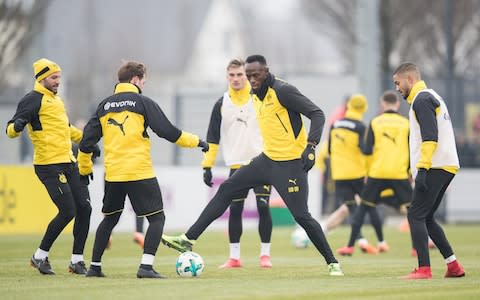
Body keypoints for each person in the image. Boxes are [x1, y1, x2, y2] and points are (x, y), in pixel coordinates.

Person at [162, 54, 344, 276]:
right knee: (227, 188)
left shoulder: (283, 91)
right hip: (266, 160)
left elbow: (317, 114)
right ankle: (188, 238)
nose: (252, 79)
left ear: (266, 71)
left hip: (291, 165)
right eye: (248, 75)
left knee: (301, 216)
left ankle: (332, 262)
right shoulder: (253, 93)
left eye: (255, 75)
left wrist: (311, 146)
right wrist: (208, 162)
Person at [77, 61, 208, 279]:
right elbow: (169, 132)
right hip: (139, 171)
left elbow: (85, 143)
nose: (143, 86)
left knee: (109, 219)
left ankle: (95, 267)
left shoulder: (103, 106)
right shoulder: (142, 102)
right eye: (143, 81)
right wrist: (198, 142)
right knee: (157, 219)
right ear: (136, 80)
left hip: (114, 174)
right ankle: (146, 267)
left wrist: (84, 169)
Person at [5, 58, 98, 275]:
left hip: (69, 162)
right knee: (68, 211)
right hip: (48, 166)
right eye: (53, 77)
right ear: (42, 78)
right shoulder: (32, 99)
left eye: (59, 77)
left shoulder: (57, 101)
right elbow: (10, 129)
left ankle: (76, 261)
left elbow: (68, 131)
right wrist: (16, 127)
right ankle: (39, 256)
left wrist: (89, 142)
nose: (57, 81)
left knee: (85, 208)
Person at [393, 62, 465, 279]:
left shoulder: (421, 99)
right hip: (445, 164)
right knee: (427, 217)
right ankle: (453, 266)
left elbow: (430, 137)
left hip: (435, 165)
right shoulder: (431, 96)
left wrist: (422, 169)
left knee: (415, 214)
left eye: (398, 83)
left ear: (410, 79)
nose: (397, 88)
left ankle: (424, 269)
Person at [202, 59, 273, 268]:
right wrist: (207, 166)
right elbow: (212, 137)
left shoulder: (259, 97)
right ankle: (234, 257)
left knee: (263, 207)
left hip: (261, 163)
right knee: (234, 210)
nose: (236, 79)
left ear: (247, 75)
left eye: (240, 75)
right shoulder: (221, 103)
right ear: (227, 77)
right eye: (231, 75)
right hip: (236, 165)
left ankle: (265, 255)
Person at [336, 90, 412, 256]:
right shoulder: (406, 123)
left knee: (363, 208)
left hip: (377, 172)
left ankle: (349, 246)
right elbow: (412, 149)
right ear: (398, 104)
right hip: (399, 173)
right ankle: (417, 248)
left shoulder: (375, 122)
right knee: (413, 211)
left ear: (382, 104)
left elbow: (367, 150)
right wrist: (409, 171)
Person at [326, 94, 381, 255]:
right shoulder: (360, 126)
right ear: (364, 108)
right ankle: (379, 242)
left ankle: (361, 241)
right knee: (368, 204)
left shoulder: (334, 124)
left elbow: (329, 149)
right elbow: (365, 150)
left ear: (348, 106)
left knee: (351, 207)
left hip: (339, 174)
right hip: (357, 174)